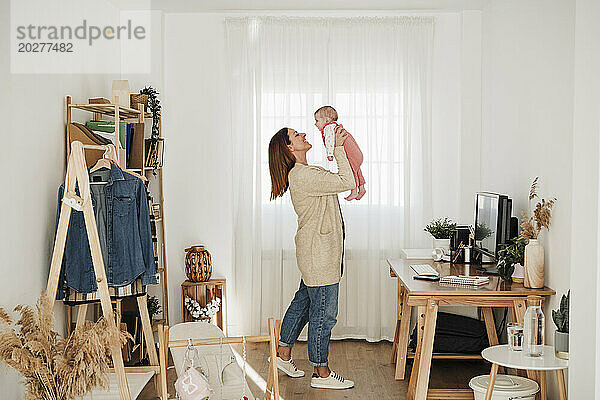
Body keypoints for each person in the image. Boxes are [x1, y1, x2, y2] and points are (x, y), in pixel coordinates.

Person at [268, 125, 355, 390]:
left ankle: (283, 353)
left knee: (304, 303)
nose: (303, 135)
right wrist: (338, 148)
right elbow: (347, 182)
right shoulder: (303, 175)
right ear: (289, 148)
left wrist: (333, 148)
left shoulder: (305, 173)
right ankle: (321, 372)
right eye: (297, 135)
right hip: (320, 253)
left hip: (317, 251)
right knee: (324, 314)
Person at [314, 105, 366, 201]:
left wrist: (329, 154)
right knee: (356, 170)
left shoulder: (328, 128)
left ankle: (354, 191)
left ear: (326, 120)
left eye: (317, 121)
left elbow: (330, 141)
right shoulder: (336, 126)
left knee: (351, 172)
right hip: (357, 154)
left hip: (351, 155)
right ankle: (361, 188)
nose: (315, 124)